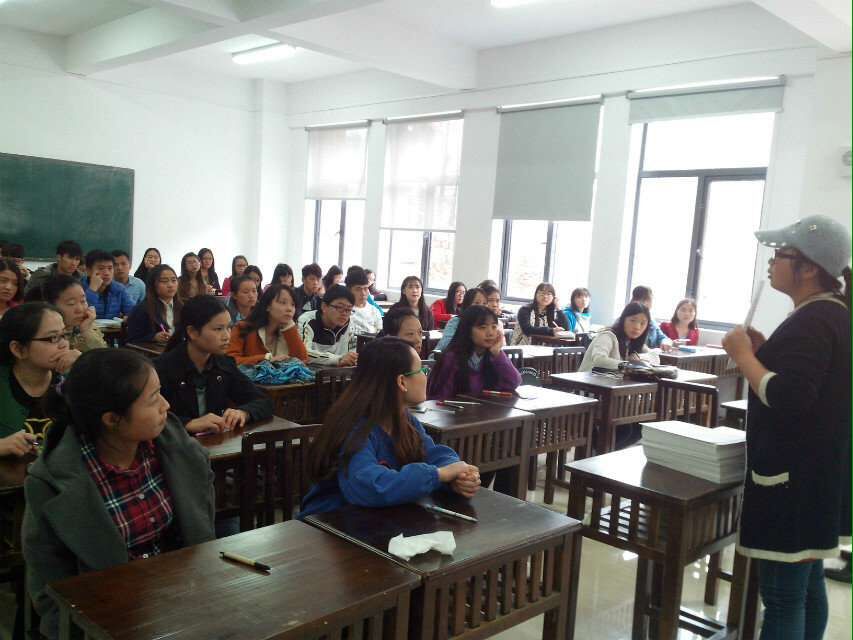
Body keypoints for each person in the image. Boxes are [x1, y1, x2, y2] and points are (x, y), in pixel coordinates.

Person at [22, 348, 215, 639]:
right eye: (153, 399)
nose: (166, 405)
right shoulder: (53, 482)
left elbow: (201, 534)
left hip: (185, 605)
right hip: (104, 623)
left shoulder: (176, 448)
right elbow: (48, 586)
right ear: (112, 419)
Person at [721, 214, 851, 639]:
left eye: (781, 254)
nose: (772, 262)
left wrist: (743, 357)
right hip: (816, 478)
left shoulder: (814, 319)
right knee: (806, 588)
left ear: (809, 267)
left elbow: (790, 398)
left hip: (793, 482)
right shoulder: (832, 313)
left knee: (782, 599)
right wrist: (763, 354)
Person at [299, 337, 480, 518]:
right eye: (422, 370)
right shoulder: (356, 428)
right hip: (330, 522)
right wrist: (438, 475)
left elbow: (432, 453)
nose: (426, 376)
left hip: (375, 517)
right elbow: (370, 487)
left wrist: (457, 474)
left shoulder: (405, 420)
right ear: (402, 382)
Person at [154, 296, 272, 434]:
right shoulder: (161, 369)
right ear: (192, 332)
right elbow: (145, 417)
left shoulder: (224, 364)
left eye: (229, 328)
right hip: (175, 444)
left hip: (216, 443)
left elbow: (264, 401)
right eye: (218, 329)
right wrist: (186, 424)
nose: (227, 336)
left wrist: (243, 412)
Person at [0, 303, 68, 454]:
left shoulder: (72, 379)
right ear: (18, 349)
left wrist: (84, 371)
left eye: (64, 335)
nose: (64, 345)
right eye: (53, 338)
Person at [427, 305, 521, 400]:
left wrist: (498, 354)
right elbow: (439, 398)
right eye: (483, 327)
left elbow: (513, 383)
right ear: (468, 331)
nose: (490, 333)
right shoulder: (451, 358)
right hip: (457, 409)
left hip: (486, 409)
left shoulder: (494, 357)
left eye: (494, 327)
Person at [227, 284, 308, 366]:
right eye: (283, 303)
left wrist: (290, 327)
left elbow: (302, 360)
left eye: (293, 304)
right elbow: (230, 361)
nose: (289, 309)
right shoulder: (243, 327)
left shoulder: (289, 330)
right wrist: (266, 358)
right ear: (267, 306)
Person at [577, 302, 659, 372]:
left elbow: (655, 357)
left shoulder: (633, 342)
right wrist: (629, 365)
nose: (637, 327)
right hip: (588, 384)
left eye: (642, 323)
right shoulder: (608, 336)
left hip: (612, 384)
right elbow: (599, 360)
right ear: (623, 320)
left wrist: (639, 358)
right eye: (632, 320)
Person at [42, 275, 107, 353]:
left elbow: (103, 355)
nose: (80, 309)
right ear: (50, 306)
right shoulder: (43, 333)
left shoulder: (88, 325)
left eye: (83, 301)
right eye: (71, 303)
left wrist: (86, 331)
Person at [297, 285, 358, 366]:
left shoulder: (350, 324)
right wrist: (337, 359)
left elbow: (350, 355)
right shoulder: (307, 320)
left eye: (348, 309)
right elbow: (302, 352)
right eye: (340, 307)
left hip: (338, 372)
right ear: (324, 306)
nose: (344, 313)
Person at [126, 265, 182, 344]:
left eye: (173, 280)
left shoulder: (182, 307)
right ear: (153, 285)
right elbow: (131, 340)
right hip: (153, 350)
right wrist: (153, 337)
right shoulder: (142, 309)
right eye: (164, 281)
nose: (170, 285)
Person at [81, 250, 135, 319]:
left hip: (114, 326)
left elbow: (133, 311)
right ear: (88, 271)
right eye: (101, 268)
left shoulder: (119, 289)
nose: (107, 273)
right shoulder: (79, 288)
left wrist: (129, 317)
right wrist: (92, 289)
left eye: (110, 268)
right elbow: (82, 314)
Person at [435, 287, 486, 352]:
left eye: (484, 304)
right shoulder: (456, 322)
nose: (481, 307)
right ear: (467, 304)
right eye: (476, 303)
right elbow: (445, 346)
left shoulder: (488, 325)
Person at [630, 285, 673, 351]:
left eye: (649, 300)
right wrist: (647, 350)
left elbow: (663, 337)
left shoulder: (652, 322)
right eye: (644, 299)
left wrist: (666, 342)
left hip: (652, 356)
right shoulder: (626, 320)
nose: (646, 303)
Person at [346, 267, 383, 335]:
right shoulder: (343, 311)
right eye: (358, 289)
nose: (363, 293)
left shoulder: (374, 311)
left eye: (365, 288)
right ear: (349, 290)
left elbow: (380, 335)